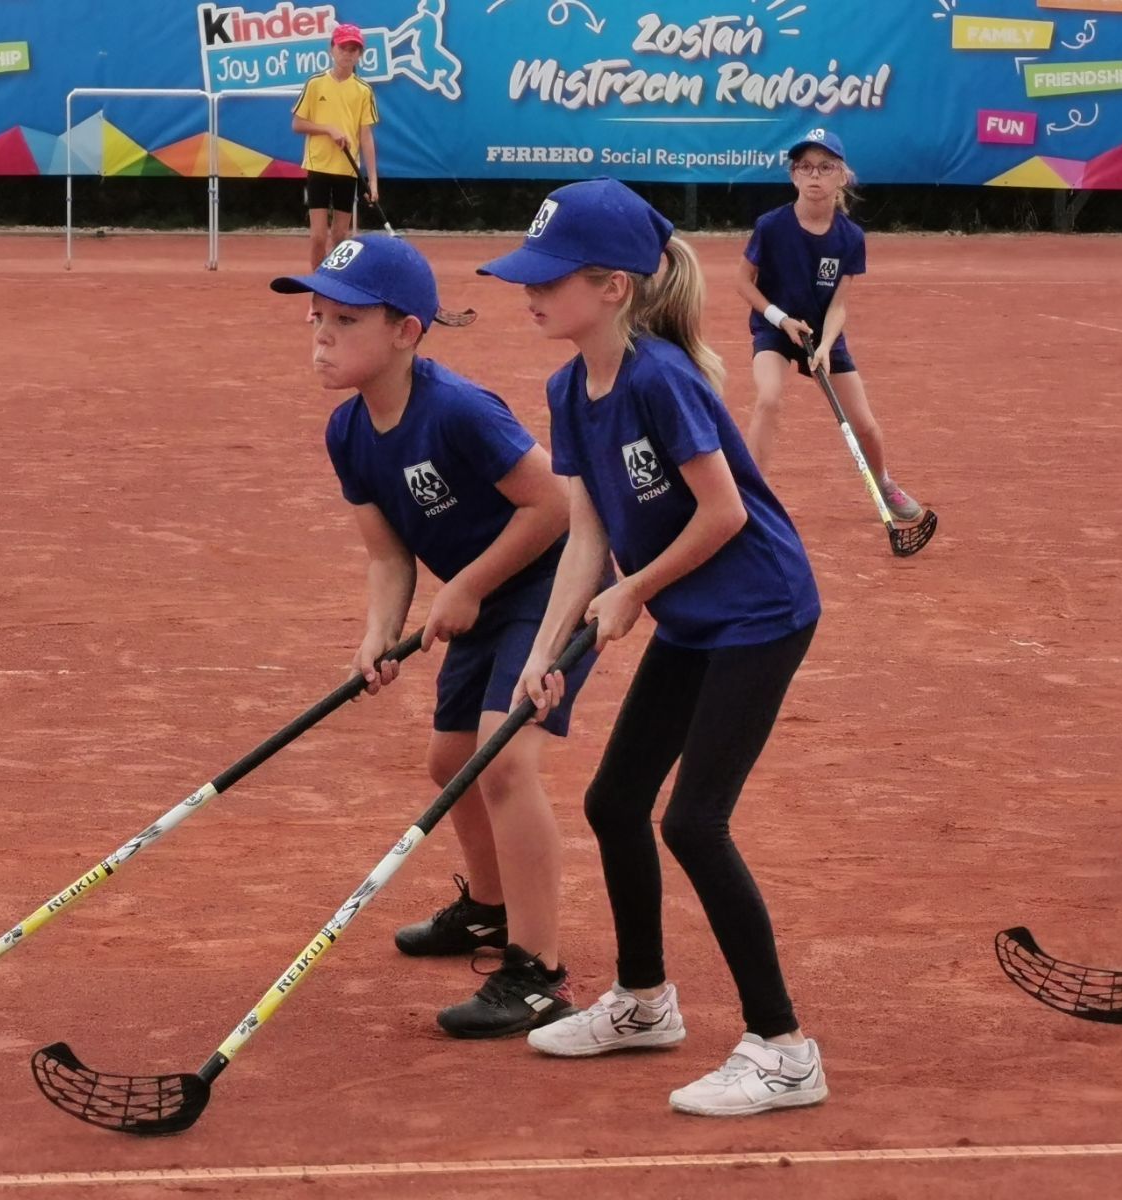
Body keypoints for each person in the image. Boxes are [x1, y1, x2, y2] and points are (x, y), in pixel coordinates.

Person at [479, 178, 828, 1117]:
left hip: (761, 611)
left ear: (614, 288)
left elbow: (724, 513)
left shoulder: (659, 378)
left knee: (693, 822)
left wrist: (635, 590)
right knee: (615, 801)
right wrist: (544, 651)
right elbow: (588, 535)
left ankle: (785, 1050)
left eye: (551, 277)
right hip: (695, 617)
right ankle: (643, 1002)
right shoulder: (568, 387)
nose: (530, 291)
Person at [269, 233, 601, 1038]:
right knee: (451, 760)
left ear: (406, 331)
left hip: (549, 589)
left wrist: (468, 586)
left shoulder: (456, 409)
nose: (322, 337)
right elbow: (388, 555)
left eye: (346, 321)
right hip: (480, 600)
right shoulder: (347, 433)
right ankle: (489, 908)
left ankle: (537, 971)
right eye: (317, 319)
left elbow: (554, 506)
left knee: (503, 759)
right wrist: (378, 634)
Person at [735, 128, 923, 523]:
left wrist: (825, 346)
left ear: (842, 176)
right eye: (805, 167)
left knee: (865, 424)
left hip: (822, 336)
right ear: (793, 176)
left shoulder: (850, 237)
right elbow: (742, 282)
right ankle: (749, 498)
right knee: (768, 398)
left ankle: (883, 482)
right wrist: (780, 319)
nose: (814, 175)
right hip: (775, 328)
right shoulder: (771, 226)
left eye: (825, 167)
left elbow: (839, 304)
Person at [290, 24, 379, 270]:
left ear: (360, 55)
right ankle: (318, 288)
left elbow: (366, 136)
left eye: (353, 49)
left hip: (347, 170)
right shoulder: (315, 84)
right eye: (343, 48)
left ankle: (335, 286)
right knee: (318, 237)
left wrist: (372, 181)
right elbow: (297, 124)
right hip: (318, 166)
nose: (347, 54)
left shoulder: (363, 90)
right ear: (332, 49)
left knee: (340, 237)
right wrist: (328, 129)